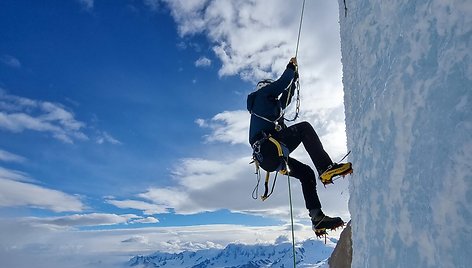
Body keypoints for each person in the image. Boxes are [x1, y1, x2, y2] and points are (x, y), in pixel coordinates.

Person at [247, 57, 352, 236]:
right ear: (265, 88)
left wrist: (294, 80)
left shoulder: (268, 107)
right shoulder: (262, 96)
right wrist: (290, 68)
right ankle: (326, 167)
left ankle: (317, 217)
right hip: (271, 149)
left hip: (270, 157)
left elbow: (285, 98)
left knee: (306, 173)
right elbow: (281, 85)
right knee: (304, 129)